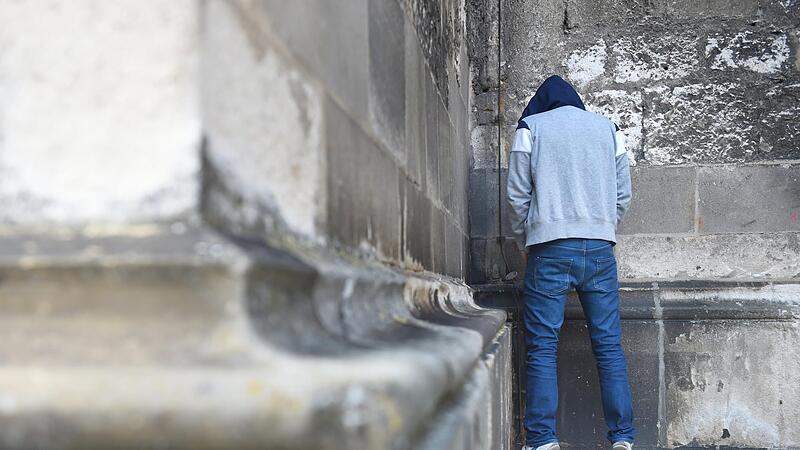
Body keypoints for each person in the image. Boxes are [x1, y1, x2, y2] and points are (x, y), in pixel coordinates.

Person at [506, 75, 636, 450]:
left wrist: (525, 239)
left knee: (543, 347)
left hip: (549, 247)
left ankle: (544, 440)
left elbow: (517, 196)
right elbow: (622, 194)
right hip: (599, 250)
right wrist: (599, 225)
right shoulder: (608, 129)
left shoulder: (531, 128)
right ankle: (623, 438)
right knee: (609, 346)